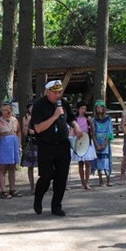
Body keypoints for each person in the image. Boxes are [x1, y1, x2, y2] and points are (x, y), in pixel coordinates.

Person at [31, 80, 82, 216]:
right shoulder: (39, 106)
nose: (58, 95)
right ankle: (38, 199)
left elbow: (70, 118)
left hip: (63, 145)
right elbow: (38, 128)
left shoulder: (63, 103)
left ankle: (56, 206)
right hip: (46, 146)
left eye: (59, 92)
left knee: (61, 178)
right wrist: (54, 116)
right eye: (55, 93)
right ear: (47, 92)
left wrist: (76, 126)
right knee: (46, 176)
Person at [0, 100, 22, 199]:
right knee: (2, 168)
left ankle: (12, 189)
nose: (6, 112)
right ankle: (3, 190)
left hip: (13, 142)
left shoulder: (15, 120)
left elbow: (18, 131)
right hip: (3, 143)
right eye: (4, 110)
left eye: (8, 110)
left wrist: (19, 143)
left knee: (12, 167)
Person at [71, 100, 97, 190]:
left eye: (85, 108)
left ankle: (87, 182)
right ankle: (82, 182)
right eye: (82, 108)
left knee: (88, 162)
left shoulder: (88, 119)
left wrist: (91, 123)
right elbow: (72, 131)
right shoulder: (75, 120)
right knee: (81, 162)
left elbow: (92, 131)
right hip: (79, 142)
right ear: (78, 109)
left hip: (87, 141)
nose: (83, 110)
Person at [91, 100, 114, 187]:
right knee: (99, 160)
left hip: (106, 142)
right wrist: (96, 144)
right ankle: (101, 180)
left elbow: (110, 132)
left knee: (107, 161)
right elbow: (92, 133)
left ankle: (108, 179)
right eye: (97, 107)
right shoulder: (94, 120)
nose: (99, 109)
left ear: (104, 108)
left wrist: (105, 143)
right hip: (97, 142)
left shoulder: (108, 119)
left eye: (101, 107)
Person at [21, 100, 38, 193]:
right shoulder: (25, 117)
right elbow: (24, 132)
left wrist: (35, 132)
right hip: (30, 143)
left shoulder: (40, 116)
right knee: (30, 166)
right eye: (30, 107)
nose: (31, 108)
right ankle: (32, 186)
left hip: (38, 142)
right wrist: (27, 122)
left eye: (33, 106)